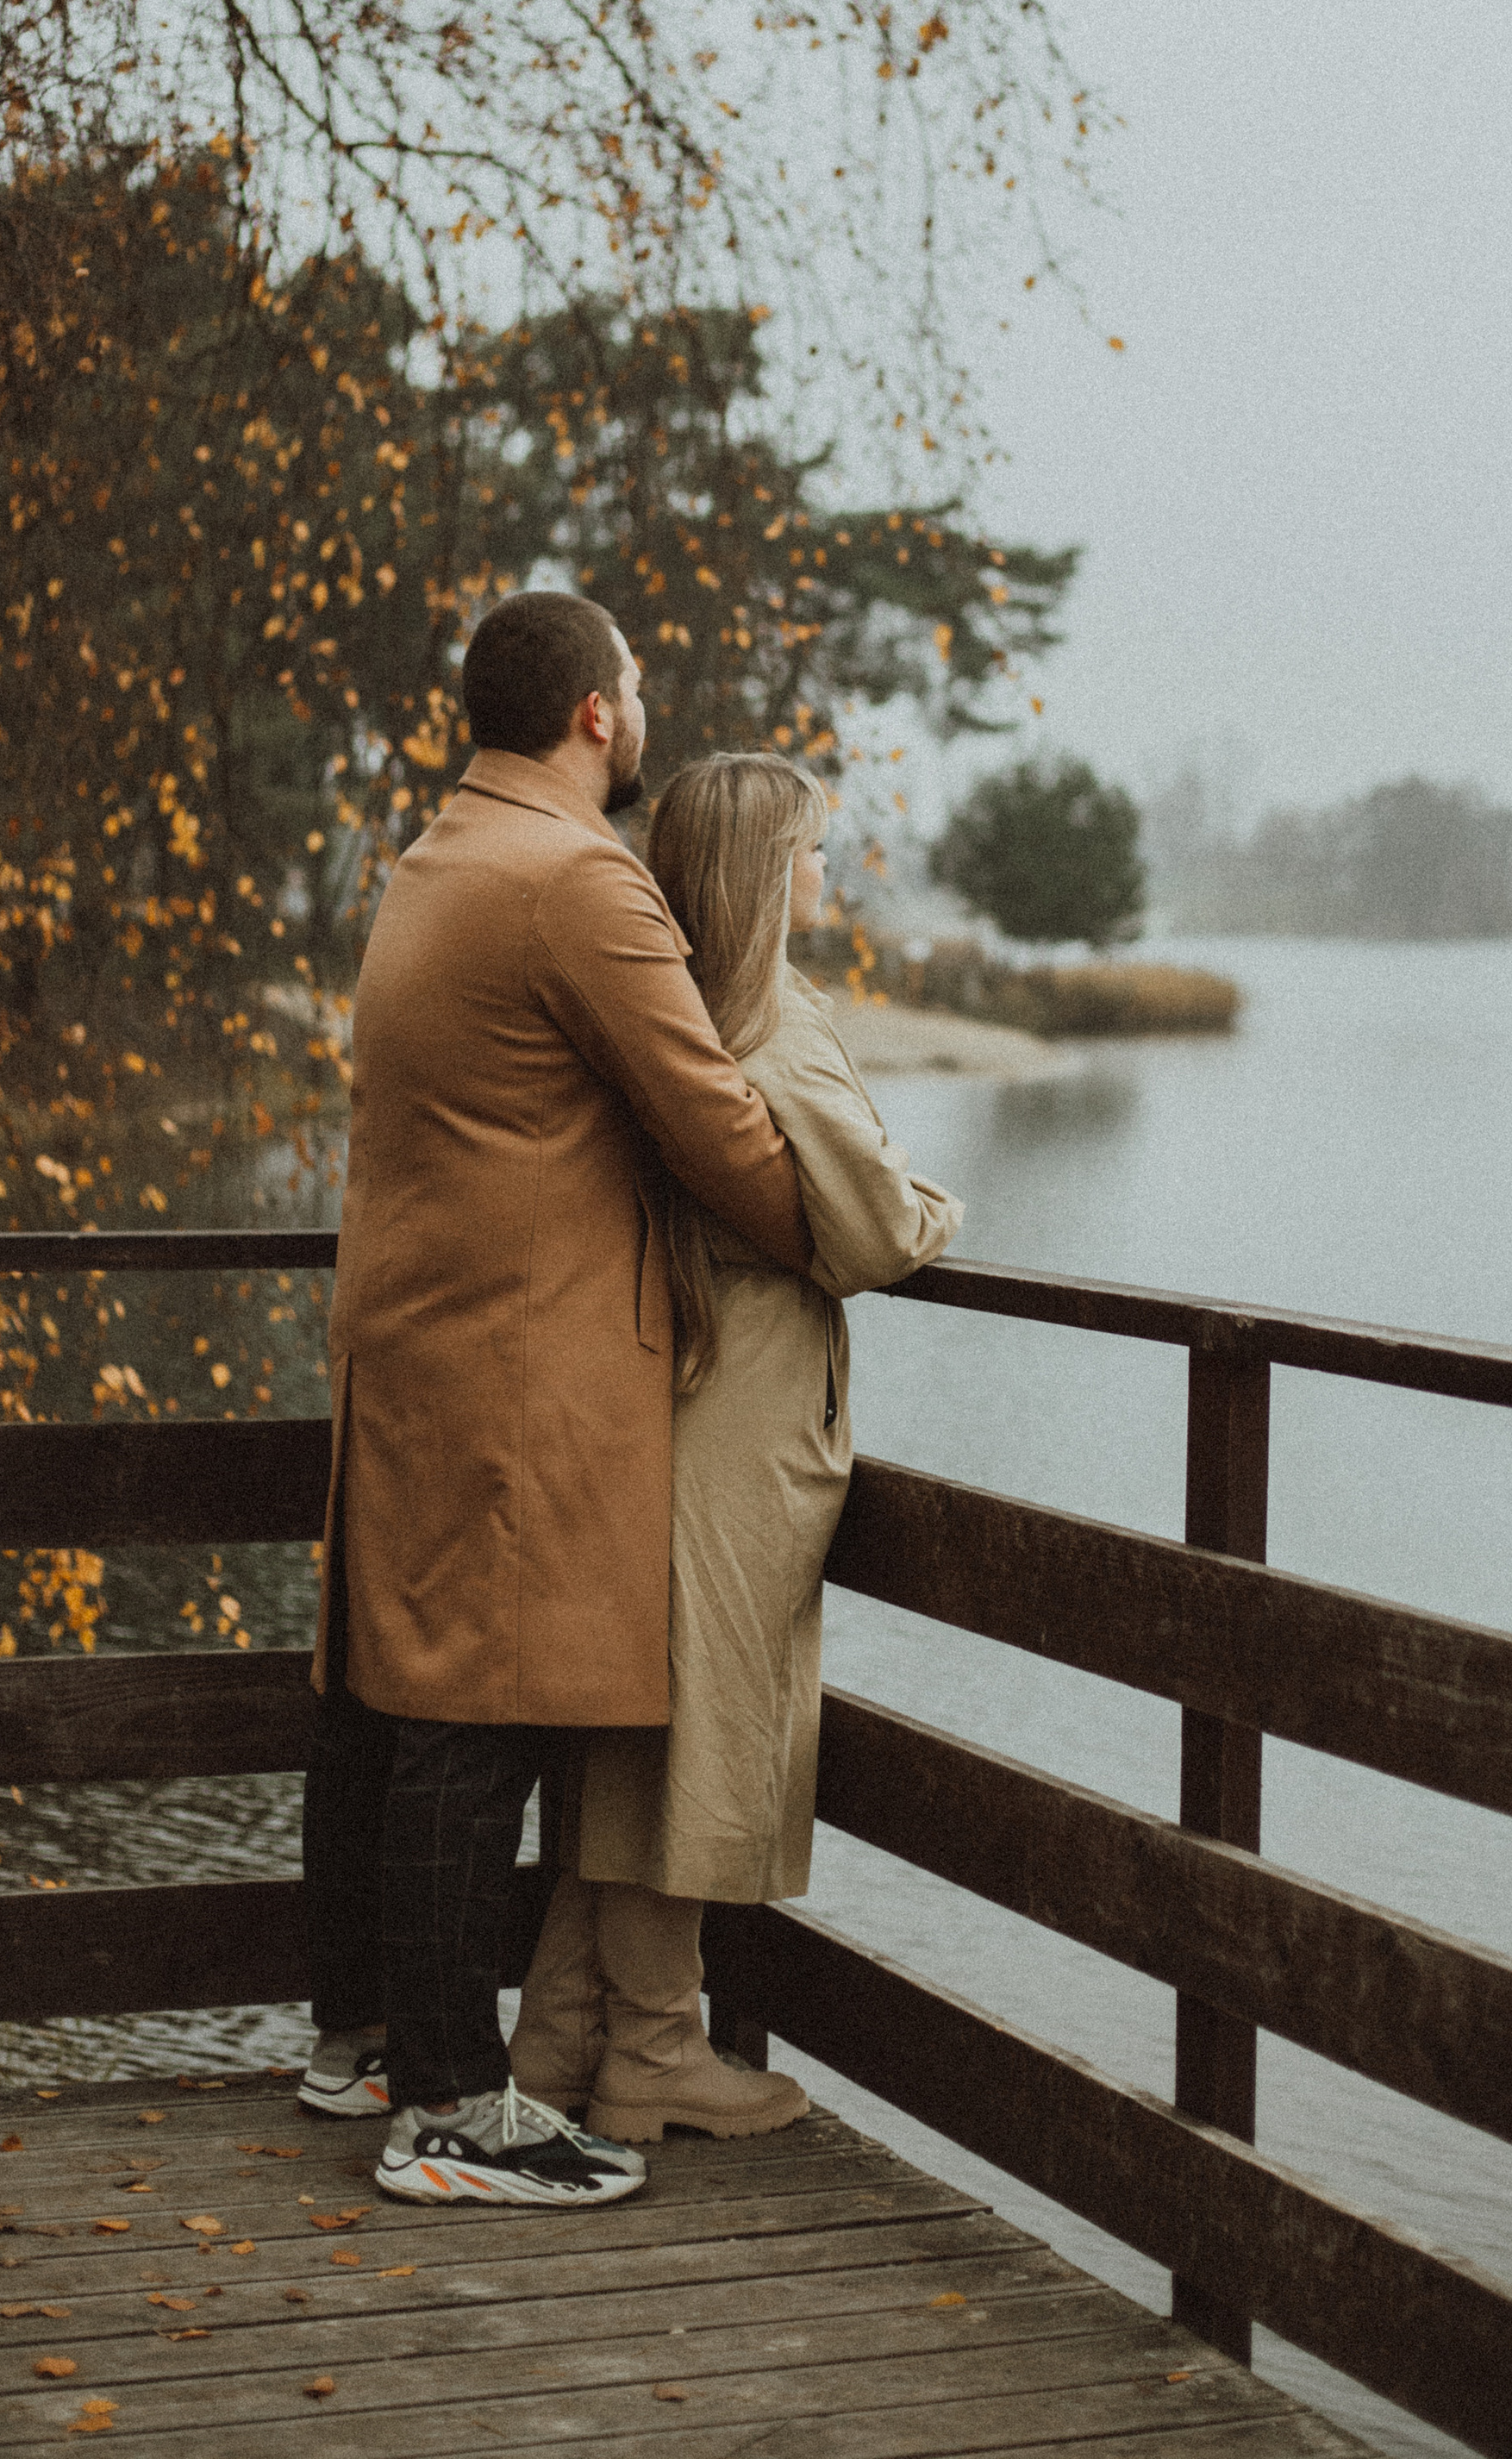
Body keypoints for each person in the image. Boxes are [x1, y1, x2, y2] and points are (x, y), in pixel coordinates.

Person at [299, 593, 817, 2210]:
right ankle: (450, 2115)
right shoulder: (574, 879)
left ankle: (370, 2051)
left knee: (407, 1708)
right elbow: (714, 1119)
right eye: (637, 684)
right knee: (477, 1729)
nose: (645, 706)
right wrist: (847, 1235)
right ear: (597, 712)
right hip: (511, 1376)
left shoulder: (440, 856)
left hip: (420, 1350)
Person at [509, 751, 962, 2142]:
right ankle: (654, 2052)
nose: (829, 870)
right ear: (766, 874)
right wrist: (938, 1207)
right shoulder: (776, 1032)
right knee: (697, 1740)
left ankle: (554, 2051)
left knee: (636, 1741)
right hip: (742, 1434)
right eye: (813, 850)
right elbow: (881, 1230)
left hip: (660, 1409)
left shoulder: (673, 1023)